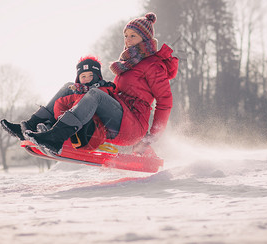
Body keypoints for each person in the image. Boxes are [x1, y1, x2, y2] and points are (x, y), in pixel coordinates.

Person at [26, 12, 178, 155]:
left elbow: (165, 102)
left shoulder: (153, 65)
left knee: (96, 95)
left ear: (145, 38)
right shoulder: (129, 64)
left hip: (133, 126)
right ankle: (37, 126)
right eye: (125, 36)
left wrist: (151, 137)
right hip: (119, 117)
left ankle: (56, 137)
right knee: (71, 88)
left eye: (133, 36)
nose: (128, 39)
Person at [0, 56, 113, 146]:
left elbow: (94, 98)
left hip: (92, 134)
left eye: (91, 76)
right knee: (68, 87)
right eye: (83, 76)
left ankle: (53, 137)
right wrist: (58, 119)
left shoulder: (101, 91)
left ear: (98, 77)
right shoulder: (77, 92)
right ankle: (30, 126)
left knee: (84, 99)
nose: (87, 79)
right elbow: (60, 104)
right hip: (76, 130)